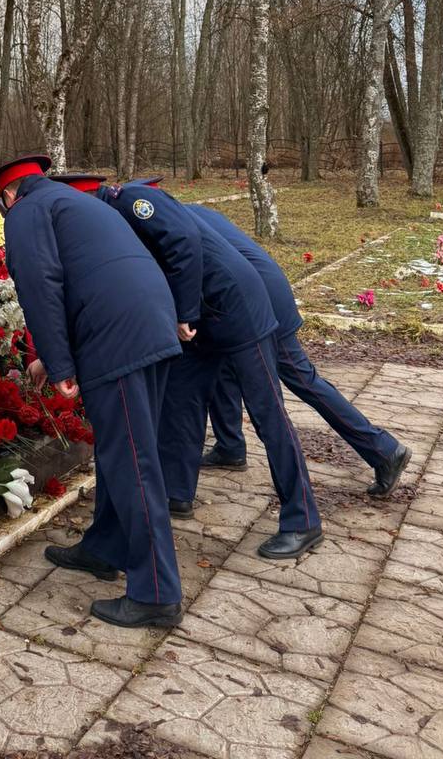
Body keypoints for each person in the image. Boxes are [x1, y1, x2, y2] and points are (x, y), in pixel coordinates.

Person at [0, 156, 184, 629]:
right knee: (125, 452)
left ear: (7, 195)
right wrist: (51, 358)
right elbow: (89, 273)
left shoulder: (27, 213)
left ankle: (156, 592)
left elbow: (41, 285)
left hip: (116, 338)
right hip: (147, 321)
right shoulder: (71, 202)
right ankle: (105, 547)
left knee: (132, 462)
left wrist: (59, 365)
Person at [97, 180, 323, 560]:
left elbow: (183, 240)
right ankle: (176, 491)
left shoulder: (131, 201)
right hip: (205, 316)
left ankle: (302, 519)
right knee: (181, 398)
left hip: (237, 309)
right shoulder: (112, 217)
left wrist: (184, 312)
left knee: (268, 413)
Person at [187, 203, 411, 497]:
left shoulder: (163, 223)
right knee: (220, 362)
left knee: (302, 378)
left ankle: (384, 449)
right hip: (246, 295)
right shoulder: (188, 211)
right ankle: (230, 446)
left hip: (259, 302)